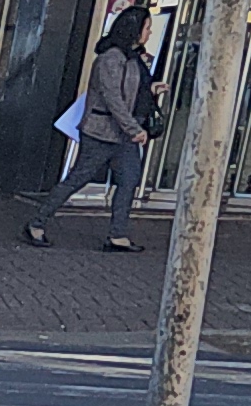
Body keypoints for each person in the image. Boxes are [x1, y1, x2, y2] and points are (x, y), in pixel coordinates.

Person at [25, 13, 162, 250]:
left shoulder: (132, 57)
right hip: (103, 131)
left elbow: (127, 92)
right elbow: (112, 98)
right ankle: (37, 223)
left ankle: (117, 235)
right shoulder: (111, 58)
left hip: (123, 133)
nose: (149, 32)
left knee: (129, 180)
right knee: (78, 178)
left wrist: (150, 89)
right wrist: (134, 129)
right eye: (147, 27)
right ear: (133, 29)